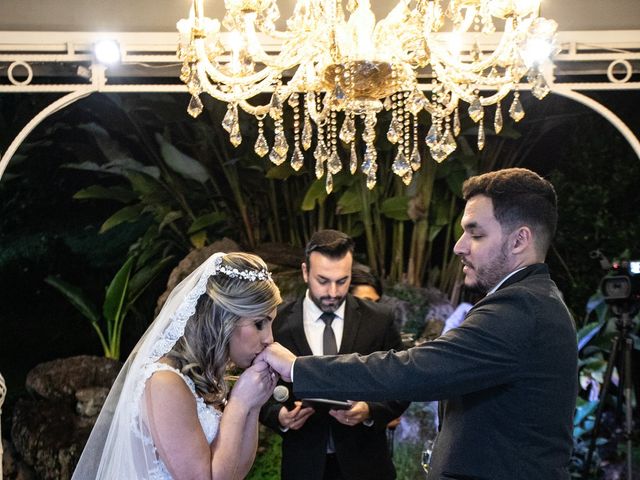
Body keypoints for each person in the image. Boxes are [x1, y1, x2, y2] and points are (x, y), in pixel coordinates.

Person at [258, 168, 579, 480]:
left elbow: (415, 369)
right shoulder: (531, 302)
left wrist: (298, 369)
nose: (459, 246)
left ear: (519, 240)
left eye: (475, 233)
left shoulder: (521, 308)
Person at [72, 252, 282, 480]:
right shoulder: (165, 382)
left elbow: (236, 472)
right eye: (259, 323)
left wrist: (253, 406)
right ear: (222, 319)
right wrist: (240, 403)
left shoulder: (205, 376)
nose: (269, 339)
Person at [259, 230, 409, 480]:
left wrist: (369, 410)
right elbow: (252, 385)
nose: (333, 291)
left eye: (342, 281)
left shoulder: (379, 320)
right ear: (306, 272)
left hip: (367, 465)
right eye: (323, 280)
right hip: (304, 465)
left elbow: (402, 382)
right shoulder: (277, 323)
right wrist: (280, 416)